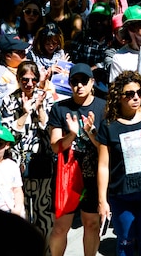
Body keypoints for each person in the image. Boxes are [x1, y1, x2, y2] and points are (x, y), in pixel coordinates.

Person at [97, 71, 141, 256]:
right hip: (121, 194)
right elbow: (103, 165)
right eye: (129, 94)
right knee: (125, 241)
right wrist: (102, 200)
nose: (135, 97)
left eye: (139, 92)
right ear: (118, 97)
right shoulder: (108, 125)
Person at [48, 62, 106, 256]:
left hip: (93, 174)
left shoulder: (103, 108)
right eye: (74, 81)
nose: (79, 86)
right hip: (67, 175)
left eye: (83, 81)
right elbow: (56, 146)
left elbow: (105, 148)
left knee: (91, 224)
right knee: (60, 227)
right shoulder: (59, 108)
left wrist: (91, 133)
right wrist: (71, 135)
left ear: (92, 82)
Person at [0, 60, 54, 238]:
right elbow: (8, 136)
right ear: (18, 79)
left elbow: (50, 129)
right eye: (25, 80)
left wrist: (40, 110)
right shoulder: (8, 100)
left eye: (33, 80)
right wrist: (25, 112)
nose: (29, 84)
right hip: (16, 162)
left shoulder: (46, 97)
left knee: (43, 212)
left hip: (41, 159)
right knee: (20, 212)